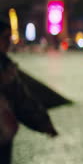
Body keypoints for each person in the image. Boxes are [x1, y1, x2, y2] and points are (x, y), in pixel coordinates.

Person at [0, 19, 58, 164]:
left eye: (9, 37)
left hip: (3, 137)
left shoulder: (6, 67)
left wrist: (44, 123)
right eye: (5, 37)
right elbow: (22, 100)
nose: (9, 42)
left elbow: (21, 100)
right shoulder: (6, 69)